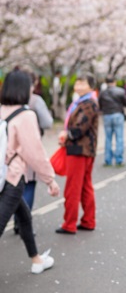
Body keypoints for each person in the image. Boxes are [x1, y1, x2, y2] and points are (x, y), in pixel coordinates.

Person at [0, 69, 60, 274]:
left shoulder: (1, 110)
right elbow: (34, 152)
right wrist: (50, 180)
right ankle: (36, 261)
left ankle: (36, 260)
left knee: (24, 216)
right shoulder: (26, 115)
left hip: (1, 173)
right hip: (12, 177)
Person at [56, 74, 99, 234]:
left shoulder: (87, 103)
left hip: (79, 149)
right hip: (86, 149)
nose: (78, 86)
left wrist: (67, 135)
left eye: (82, 83)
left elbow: (80, 127)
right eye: (77, 83)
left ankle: (69, 224)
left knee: (73, 188)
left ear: (90, 86)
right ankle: (88, 221)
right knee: (85, 187)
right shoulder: (85, 101)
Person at [14, 72, 54, 234]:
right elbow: (47, 122)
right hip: (28, 149)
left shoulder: (5, 102)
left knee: (13, 186)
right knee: (29, 185)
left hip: (9, 153)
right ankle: (22, 223)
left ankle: (15, 219)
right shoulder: (35, 101)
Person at [98, 75, 126, 167]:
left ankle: (108, 160)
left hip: (107, 115)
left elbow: (99, 105)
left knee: (108, 138)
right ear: (114, 81)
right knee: (119, 138)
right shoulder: (120, 91)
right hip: (118, 114)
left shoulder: (102, 93)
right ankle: (119, 159)